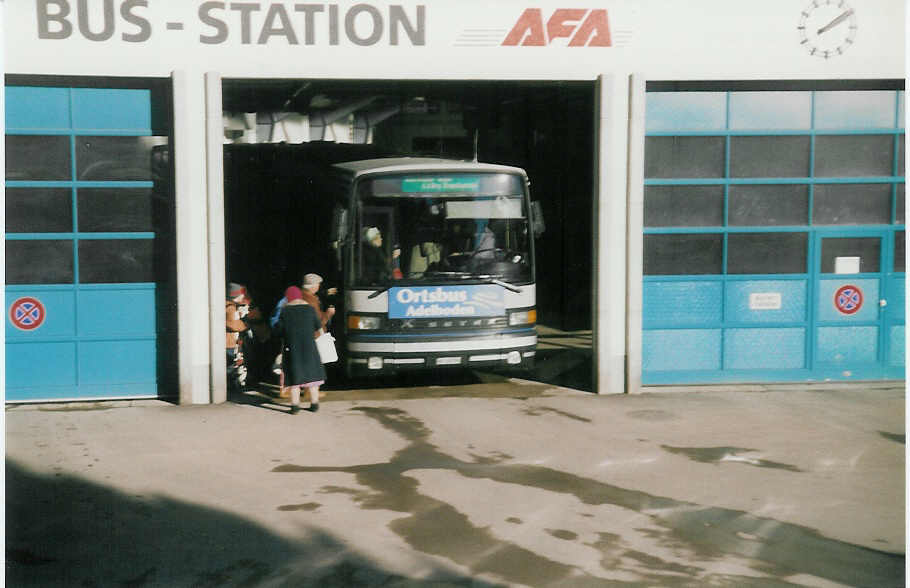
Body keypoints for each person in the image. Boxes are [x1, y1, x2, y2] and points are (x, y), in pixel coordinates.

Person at [272, 286, 325, 414]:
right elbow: (318, 327)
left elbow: (279, 330)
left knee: (294, 377)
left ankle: (295, 406)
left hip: (292, 349)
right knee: (312, 378)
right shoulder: (310, 309)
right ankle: (314, 404)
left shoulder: (285, 311)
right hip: (310, 348)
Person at [225, 282, 251, 392]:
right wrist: (245, 325)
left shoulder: (230, 306)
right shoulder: (230, 308)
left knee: (232, 364)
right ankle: (231, 387)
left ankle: (232, 385)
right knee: (231, 365)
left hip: (230, 341)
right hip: (229, 341)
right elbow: (232, 324)